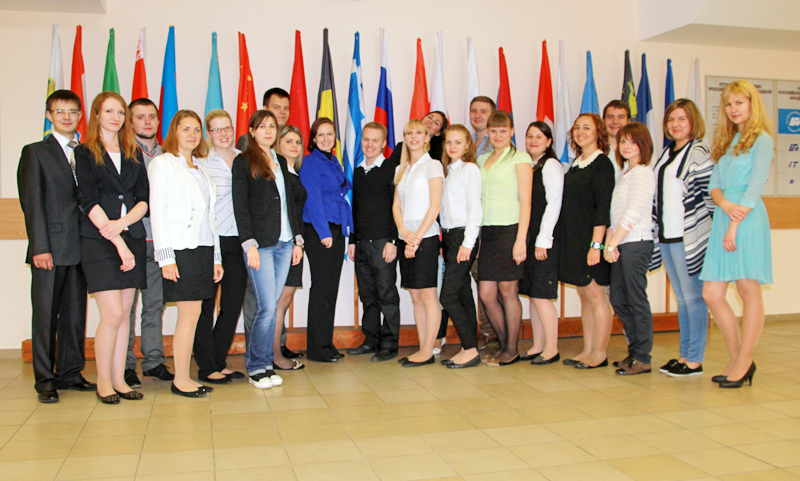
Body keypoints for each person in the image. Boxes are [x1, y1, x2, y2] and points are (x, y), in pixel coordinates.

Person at [18, 90, 94, 403]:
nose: (66, 117)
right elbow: (32, 203)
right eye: (59, 111)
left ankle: (71, 372)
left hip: (83, 247)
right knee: (46, 316)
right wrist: (40, 247)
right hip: (49, 249)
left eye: (72, 111)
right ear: (49, 115)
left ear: (80, 116)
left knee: (75, 315)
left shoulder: (88, 152)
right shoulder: (35, 152)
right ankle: (45, 379)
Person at [74, 91, 149, 404]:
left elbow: (143, 199)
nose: (116, 117)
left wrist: (123, 225)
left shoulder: (133, 153)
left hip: (131, 237)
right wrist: (116, 237)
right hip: (99, 242)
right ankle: (103, 381)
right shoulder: (84, 152)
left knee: (125, 314)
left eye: (120, 112)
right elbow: (88, 200)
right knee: (113, 314)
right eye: (109, 111)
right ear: (96, 115)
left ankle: (119, 379)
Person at [701, 80, 774, 388]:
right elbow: (713, 186)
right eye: (728, 104)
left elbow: (755, 187)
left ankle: (744, 361)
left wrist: (734, 221)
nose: (733, 109)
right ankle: (736, 358)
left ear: (752, 104)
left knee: (747, 289)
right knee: (711, 293)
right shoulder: (728, 141)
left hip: (746, 218)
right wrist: (725, 206)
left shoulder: (762, 140)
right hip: (726, 214)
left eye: (739, 103)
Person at [149, 110, 224, 398]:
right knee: (188, 315)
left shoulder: (201, 168)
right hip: (180, 250)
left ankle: (184, 376)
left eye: (196, 130)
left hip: (203, 249)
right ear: (174, 132)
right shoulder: (163, 163)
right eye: (186, 129)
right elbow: (158, 212)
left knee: (194, 314)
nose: (192, 135)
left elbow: (211, 218)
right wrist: (165, 258)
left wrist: (216, 257)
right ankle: (181, 379)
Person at [233, 110, 303, 388]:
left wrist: (297, 240)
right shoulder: (243, 161)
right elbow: (240, 206)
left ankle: (265, 363)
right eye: (262, 126)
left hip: (285, 243)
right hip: (259, 245)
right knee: (265, 308)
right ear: (252, 131)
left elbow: (289, 206)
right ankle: (256, 367)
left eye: (272, 126)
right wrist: (248, 244)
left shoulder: (280, 161)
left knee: (272, 307)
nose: (268, 131)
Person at [651, 99, 714, 377]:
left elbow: (710, 195)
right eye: (671, 119)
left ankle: (695, 359)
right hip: (667, 236)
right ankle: (685, 355)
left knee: (693, 298)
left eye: (681, 119)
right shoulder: (668, 152)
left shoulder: (697, 151)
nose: (675, 124)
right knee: (683, 298)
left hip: (689, 238)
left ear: (693, 122)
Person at [193, 109, 247, 384]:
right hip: (212, 241)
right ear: (209, 133)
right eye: (217, 129)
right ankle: (206, 367)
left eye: (227, 128)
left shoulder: (245, 159)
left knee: (232, 305)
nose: (223, 134)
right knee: (205, 306)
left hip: (240, 242)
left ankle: (218, 360)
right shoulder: (201, 163)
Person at [558, 113, 615, 369]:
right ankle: (588, 349)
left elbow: (603, 208)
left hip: (592, 242)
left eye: (587, 128)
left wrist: (596, 246)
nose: (581, 132)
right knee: (584, 296)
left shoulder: (602, 163)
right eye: (577, 127)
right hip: (575, 240)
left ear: (598, 132)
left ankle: (599, 353)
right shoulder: (577, 163)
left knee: (597, 296)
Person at [477, 111, 533, 367]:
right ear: (487, 132)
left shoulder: (521, 158)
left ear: (511, 132)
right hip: (488, 232)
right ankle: (503, 343)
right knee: (487, 294)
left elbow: (526, 201)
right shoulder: (481, 159)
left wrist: (521, 239)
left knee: (508, 291)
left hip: (511, 230)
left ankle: (511, 348)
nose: (498, 135)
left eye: (503, 130)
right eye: (493, 130)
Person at [124, 98, 173, 389]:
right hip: (131, 240)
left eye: (152, 116)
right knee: (126, 308)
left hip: (160, 242)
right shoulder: (123, 154)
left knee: (155, 304)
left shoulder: (169, 155)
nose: (147, 121)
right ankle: (125, 365)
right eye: (140, 117)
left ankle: (153, 361)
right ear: (130, 122)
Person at [299, 117, 354, 362]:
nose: (325, 138)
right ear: (313, 138)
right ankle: (316, 348)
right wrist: (324, 233)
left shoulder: (333, 160)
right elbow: (312, 200)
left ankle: (326, 342)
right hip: (320, 230)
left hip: (336, 228)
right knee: (322, 289)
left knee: (331, 289)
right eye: (320, 134)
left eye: (330, 134)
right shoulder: (310, 162)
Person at [346, 122, 401, 362]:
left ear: (384, 143)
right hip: (361, 243)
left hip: (383, 242)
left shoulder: (391, 170)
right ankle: (371, 339)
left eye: (375, 140)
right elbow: (355, 208)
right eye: (366, 139)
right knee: (367, 295)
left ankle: (389, 343)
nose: (369, 144)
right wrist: (352, 239)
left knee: (386, 294)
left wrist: (392, 240)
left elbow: (397, 207)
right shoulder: (358, 171)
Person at [604, 122, 656, 376]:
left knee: (636, 300)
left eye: (632, 141)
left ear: (643, 145)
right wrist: (609, 244)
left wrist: (612, 243)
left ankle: (643, 357)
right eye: (622, 141)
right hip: (621, 243)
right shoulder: (626, 173)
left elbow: (633, 213)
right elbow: (615, 216)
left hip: (636, 242)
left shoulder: (643, 172)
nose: (626, 146)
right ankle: (634, 352)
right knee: (617, 298)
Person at [393, 120, 444, 367]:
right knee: (415, 296)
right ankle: (423, 347)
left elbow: (435, 206)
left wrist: (417, 237)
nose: (413, 137)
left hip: (426, 238)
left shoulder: (433, 165)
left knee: (428, 295)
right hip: (407, 238)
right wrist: (403, 232)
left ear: (427, 138)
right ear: (404, 138)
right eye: (409, 133)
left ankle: (428, 349)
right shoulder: (401, 168)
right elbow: (396, 205)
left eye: (419, 133)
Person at [519, 121, 563, 365]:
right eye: (530, 136)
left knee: (542, 295)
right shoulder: (530, 165)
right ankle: (538, 345)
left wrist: (543, 240)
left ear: (549, 141)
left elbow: (554, 204)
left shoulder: (551, 165)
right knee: (533, 294)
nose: (533, 140)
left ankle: (552, 348)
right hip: (530, 238)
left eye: (539, 136)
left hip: (543, 240)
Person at [438, 125, 482, 369]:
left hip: (463, 237)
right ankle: (469, 347)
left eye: (458, 142)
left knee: (448, 296)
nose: (452, 146)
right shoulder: (449, 171)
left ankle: (471, 349)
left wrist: (468, 243)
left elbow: (475, 208)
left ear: (467, 145)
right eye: (448, 142)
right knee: (463, 295)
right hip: (450, 238)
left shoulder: (469, 169)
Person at [272, 125, 307, 371]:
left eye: (297, 142)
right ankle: (274, 355)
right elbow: (286, 213)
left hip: (295, 244)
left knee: (282, 302)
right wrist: (296, 241)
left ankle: (274, 352)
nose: (294, 146)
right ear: (278, 144)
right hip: (286, 244)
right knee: (278, 304)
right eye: (288, 141)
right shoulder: (279, 172)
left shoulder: (293, 173)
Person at [468, 96, 499, 349]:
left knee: (489, 280)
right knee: (475, 276)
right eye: (474, 111)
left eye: (483, 111)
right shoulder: (465, 142)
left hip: (491, 223)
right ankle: (484, 329)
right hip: (467, 222)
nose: (477, 115)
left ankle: (494, 331)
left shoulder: (498, 144)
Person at [603, 100, 632, 185]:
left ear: (629, 121)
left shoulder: (639, 151)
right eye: (610, 117)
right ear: (603, 121)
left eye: (621, 117)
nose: (615, 121)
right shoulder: (595, 151)